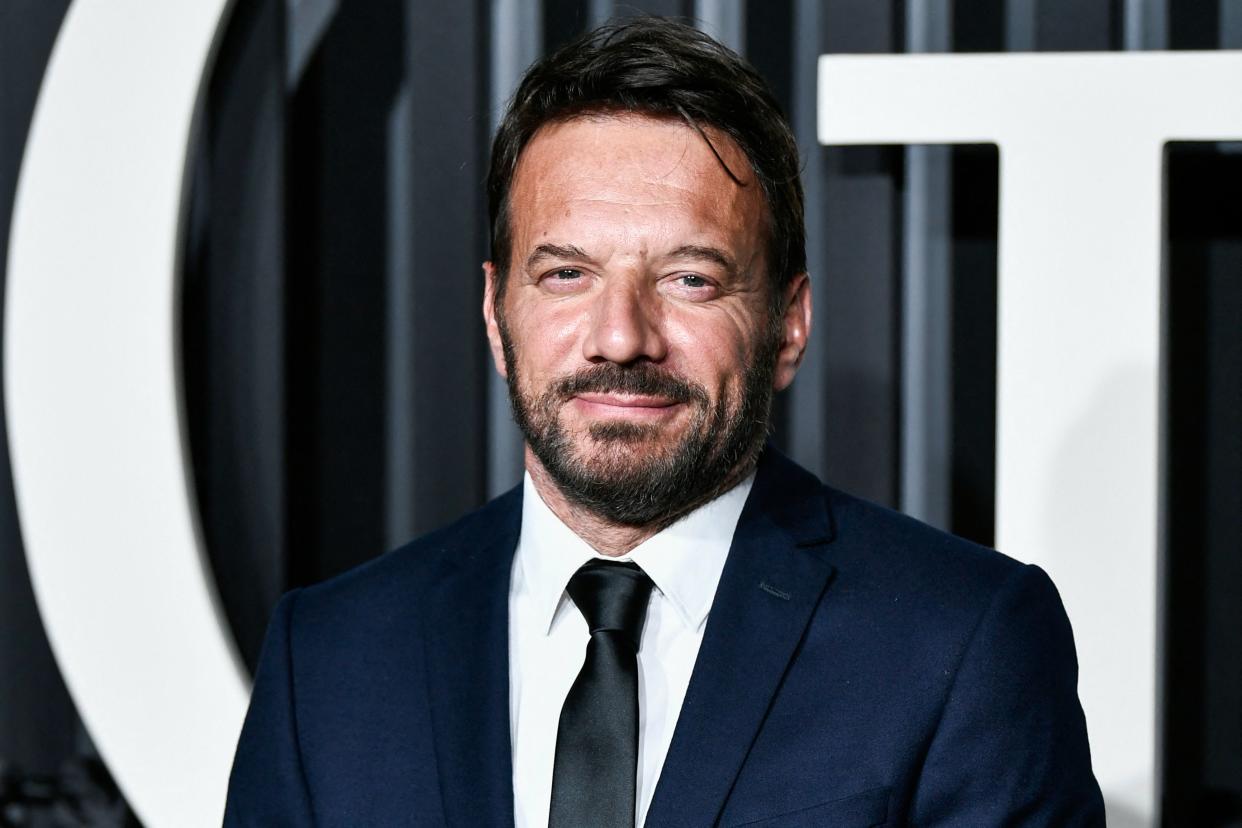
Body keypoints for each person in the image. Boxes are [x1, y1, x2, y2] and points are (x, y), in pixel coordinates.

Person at [224, 16, 1104, 827]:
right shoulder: (330, 661)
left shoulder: (961, 643)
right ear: (497, 315)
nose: (622, 337)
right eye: (567, 274)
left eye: (691, 279)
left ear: (788, 323)